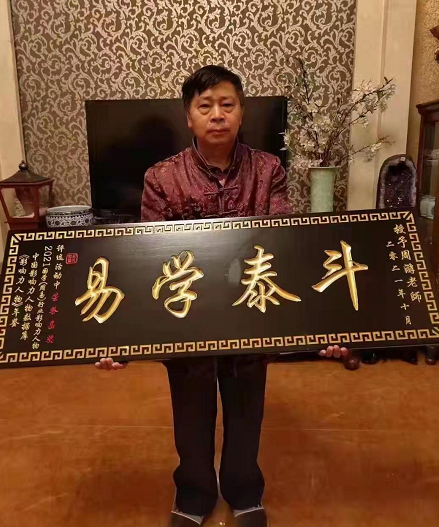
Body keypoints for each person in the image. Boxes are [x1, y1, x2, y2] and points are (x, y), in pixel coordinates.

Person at [95, 65, 348, 527]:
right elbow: (147, 260)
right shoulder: (162, 177)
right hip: (185, 320)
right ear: (188, 116)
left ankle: (244, 490)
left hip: (250, 312)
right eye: (205, 106)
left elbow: (283, 246)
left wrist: (321, 327)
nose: (217, 115)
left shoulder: (268, 169)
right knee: (191, 410)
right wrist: (119, 340)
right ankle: (194, 494)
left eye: (227, 105)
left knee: (246, 406)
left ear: (241, 113)